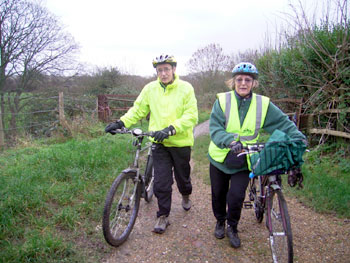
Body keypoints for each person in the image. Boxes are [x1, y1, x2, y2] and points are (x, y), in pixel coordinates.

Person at [207, 62, 306, 248]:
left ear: (254, 83)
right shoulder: (222, 101)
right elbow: (215, 128)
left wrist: (298, 138)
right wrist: (229, 140)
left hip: (245, 158)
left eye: (248, 80)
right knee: (218, 194)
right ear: (233, 82)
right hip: (220, 156)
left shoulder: (263, 104)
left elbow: (283, 123)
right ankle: (220, 220)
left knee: (236, 196)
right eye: (239, 80)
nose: (243, 83)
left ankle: (232, 226)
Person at [105, 54, 198, 234]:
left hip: (180, 142)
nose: (163, 73)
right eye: (160, 70)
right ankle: (163, 215)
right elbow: (138, 109)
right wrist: (121, 122)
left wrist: (171, 129)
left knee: (183, 178)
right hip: (159, 143)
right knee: (161, 182)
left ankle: (186, 194)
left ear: (174, 70)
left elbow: (191, 115)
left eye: (167, 69)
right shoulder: (150, 89)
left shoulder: (186, 88)